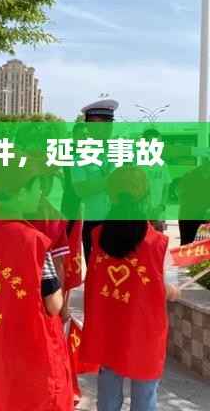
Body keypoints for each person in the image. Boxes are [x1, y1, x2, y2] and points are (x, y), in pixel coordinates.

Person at [0, 163, 73, 411]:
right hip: (28, 345)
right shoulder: (33, 241)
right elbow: (53, 304)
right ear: (21, 191)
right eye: (36, 188)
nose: (40, 194)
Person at [81, 166, 180, 411]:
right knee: (145, 397)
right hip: (144, 332)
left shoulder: (97, 236)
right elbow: (165, 289)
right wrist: (173, 291)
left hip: (108, 329)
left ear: (110, 196)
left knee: (108, 395)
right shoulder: (157, 243)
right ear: (145, 197)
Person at [72, 99, 118, 263]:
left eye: (109, 123)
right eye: (101, 124)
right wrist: (111, 180)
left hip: (120, 223)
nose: (107, 128)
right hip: (94, 223)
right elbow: (81, 190)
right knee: (96, 272)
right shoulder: (80, 157)